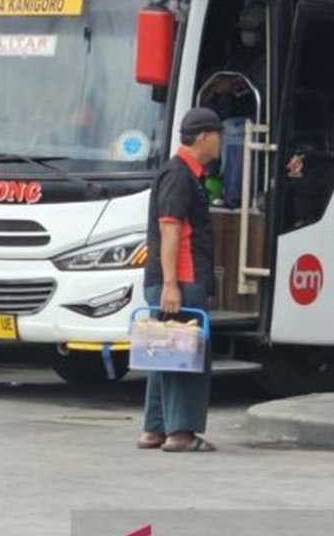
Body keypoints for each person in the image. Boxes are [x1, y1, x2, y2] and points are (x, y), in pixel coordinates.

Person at [137, 107, 222, 453]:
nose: (221, 141)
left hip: (175, 279)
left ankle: (154, 430)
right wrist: (172, 284)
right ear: (203, 136)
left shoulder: (184, 173)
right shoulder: (179, 176)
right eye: (218, 134)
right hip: (181, 280)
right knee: (186, 356)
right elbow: (170, 229)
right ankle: (181, 433)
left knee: (163, 352)